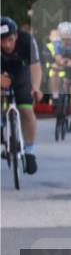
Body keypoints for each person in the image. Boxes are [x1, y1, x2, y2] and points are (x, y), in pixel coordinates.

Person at [1, 16, 43, 173]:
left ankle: (30, 151)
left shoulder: (27, 40)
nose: (6, 44)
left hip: (21, 70)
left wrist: (36, 88)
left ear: (16, 35)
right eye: (2, 41)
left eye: (10, 40)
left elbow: (35, 66)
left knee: (26, 109)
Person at [49, 21, 71, 133]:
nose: (66, 41)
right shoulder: (57, 42)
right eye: (64, 39)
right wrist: (60, 63)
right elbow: (58, 58)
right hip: (63, 59)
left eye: (68, 38)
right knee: (54, 70)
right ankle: (55, 96)